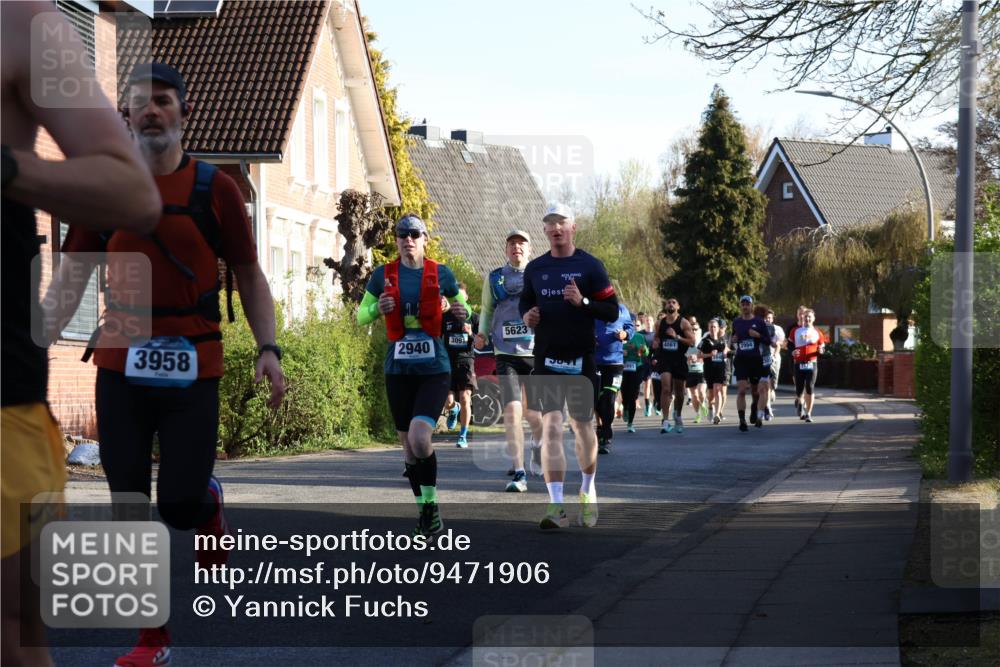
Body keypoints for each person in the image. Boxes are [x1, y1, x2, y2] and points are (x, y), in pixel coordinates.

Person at [48, 62, 285, 667]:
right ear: (124, 117)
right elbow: (70, 280)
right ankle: (152, 640)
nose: (151, 111)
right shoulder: (105, 192)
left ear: (184, 114)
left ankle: (206, 501)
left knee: (177, 507)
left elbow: (251, 275)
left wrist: (268, 349)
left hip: (193, 368)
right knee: (127, 502)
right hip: (120, 367)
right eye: (139, 104)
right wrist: (29, 342)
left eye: (163, 102)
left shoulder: (216, 190)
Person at [2, 5, 162, 665]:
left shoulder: (25, 24)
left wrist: (10, 171)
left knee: (10, 632)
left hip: (1, 402)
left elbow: (133, 191)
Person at [358, 213, 469, 531]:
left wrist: (461, 309)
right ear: (396, 240)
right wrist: (375, 309)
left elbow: (466, 308)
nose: (409, 239)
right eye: (402, 234)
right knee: (408, 449)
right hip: (398, 371)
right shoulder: (383, 276)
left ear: (424, 239)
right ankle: (425, 511)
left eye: (415, 234)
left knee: (421, 439)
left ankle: (431, 505)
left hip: (434, 369)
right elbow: (360, 316)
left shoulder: (442, 273)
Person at [520, 203, 618, 529]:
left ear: (573, 227)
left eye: (562, 223)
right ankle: (556, 505)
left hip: (580, 359)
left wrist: (583, 302)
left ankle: (588, 491)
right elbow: (526, 302)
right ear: (545, 230)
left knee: (583, 428)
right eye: (550, 224)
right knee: (550, 428)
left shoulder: (590, 266)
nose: (556, 228)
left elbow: (611, 310)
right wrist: (527, 315)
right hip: (546, 358)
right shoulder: (535, 268)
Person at [476, 229, 544, 492]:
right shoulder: (495, 278)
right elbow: (487, 309)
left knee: (534, 415)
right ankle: (519, 472)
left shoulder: (538, 276)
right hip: (505, 353)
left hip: (534, 352)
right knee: (513, 412)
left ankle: (537, 447)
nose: (517, 247)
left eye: (521, 244)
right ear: (506, 249)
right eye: (512, 243)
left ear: (530, 249)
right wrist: (482, 333)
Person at [441, 284, 478, 448]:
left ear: (467, 299)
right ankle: (453, 408)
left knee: (465, 398)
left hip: (466, 361)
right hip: (448, 362)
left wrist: (471, 334)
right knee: (448, 402)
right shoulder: (445, 317)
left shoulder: (474, 318)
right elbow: (437, 337)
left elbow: (482, 342)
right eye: (456, 299)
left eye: (462, 298)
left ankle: (462, 435)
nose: (459, 302)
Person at [594, 302, 634, 454]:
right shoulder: (590, 307)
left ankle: (606, 434)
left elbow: (630, 327)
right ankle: (600, 426)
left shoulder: (622, 308)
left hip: (615, 362)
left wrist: (625, 334)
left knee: (609, 399)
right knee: (596, 400)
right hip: (594, 362)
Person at [653, 298, 696, 434]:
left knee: (680, 393)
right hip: (665, 359)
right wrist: (656, 342)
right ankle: (665, 421)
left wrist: (677, 337)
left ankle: (678, 414)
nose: (670, 304)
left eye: (673, 302)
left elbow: (692, 341)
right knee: (666, 389)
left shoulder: (683, 322)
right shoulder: (660, 323)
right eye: (668, 302)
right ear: (665, 306)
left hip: (679, 360)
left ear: (678, 307)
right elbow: (656, 337)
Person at [731, 296, 771, 431]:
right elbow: (733, 338)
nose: (745, 306)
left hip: (755, 360)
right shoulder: (736, 322)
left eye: (747, 304)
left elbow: (768, 341)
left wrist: (758, 336)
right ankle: (742, 420)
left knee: (756, 391)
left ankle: (755, 408)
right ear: (740, 306)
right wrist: (733, 340)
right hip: (741, 360)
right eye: (743, 304)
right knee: (741, 390)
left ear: (751, 306)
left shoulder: (759, 322)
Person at [790, 308, 826, 422]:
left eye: (810, 316)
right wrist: (792, 351)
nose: (807, 318)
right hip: (799, 364)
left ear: (813, 318)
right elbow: (790, 344)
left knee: (810, 387)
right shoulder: (795, 331)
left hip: (812, 363)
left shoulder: (818, 332)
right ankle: (800, 404)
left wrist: (821, 351)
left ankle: (809, 413)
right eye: (806, 316)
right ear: (802, 318)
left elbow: (822, 347)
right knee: (799, 390)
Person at [621, 317, 650, 433]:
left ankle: (630, 423)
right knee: (624, 392)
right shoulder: (620, 336)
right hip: (623, 368)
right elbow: (613, 350)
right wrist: (621, 352)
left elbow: (646, 352)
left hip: (637, 367)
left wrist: (643, 350)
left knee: (633, 394)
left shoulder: (639, 337)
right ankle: (625, 407)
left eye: (634, 325)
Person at [700, 317, 729, 424]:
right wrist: (709, 354)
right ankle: (710, 408)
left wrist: (726, 353)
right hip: (709, 368)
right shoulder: (705, 341)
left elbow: (726, 350)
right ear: (708, 328)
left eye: (715, 327)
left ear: (718, 328)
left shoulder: (722, 340)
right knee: (711, 393)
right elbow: (699, 355)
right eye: (711, 327)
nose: (713, 329)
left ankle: (717, 414)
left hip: (720, 368)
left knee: (718, 390)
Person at [763, 308, 786, 420]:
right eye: (766, 317)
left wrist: (776, 351)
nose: (768, 319)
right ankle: (768, 408)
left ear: (773, 319)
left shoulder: (778, 329)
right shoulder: (760, 329)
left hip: (775, 358)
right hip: (763, 359)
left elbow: (781, 343)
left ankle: (773, 389)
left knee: (773, 383)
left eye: (770, 317)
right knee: (765, 383)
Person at [685, 318, 709, 424]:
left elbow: (709, 356)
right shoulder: (686, 343)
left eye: (696, 329)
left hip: (702, 372)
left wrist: (699, 357)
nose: (694, 331)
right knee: (694, 395)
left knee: (701, 393)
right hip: (690, 372)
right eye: (692, 329)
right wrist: (689, 358)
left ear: (699, 330)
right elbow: (682, 358)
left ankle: (703, 404)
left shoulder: (704, 343)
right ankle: (698, 414)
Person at [788, 305, 807, 416]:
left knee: (805, 384)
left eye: (803, 313)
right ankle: (799, 399)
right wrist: (793, 350)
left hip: (807, 360)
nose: (801, 315)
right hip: (794, 360)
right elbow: (788, 344)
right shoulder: (792, 328)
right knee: (798, 384)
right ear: (797, 315)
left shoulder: (810, 327)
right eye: (799, 313)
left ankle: (801, 404)